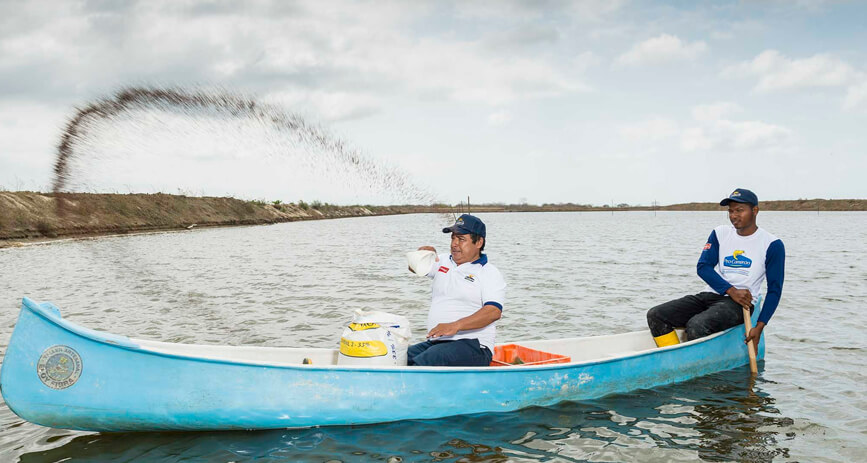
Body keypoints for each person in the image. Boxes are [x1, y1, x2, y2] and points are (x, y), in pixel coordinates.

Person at [647, 188, 785, 348]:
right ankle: (674, 355)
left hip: (741, 305)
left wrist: (760, 326)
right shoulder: (720, 233)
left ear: (755, 210)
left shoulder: (772, 244)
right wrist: (731, 290)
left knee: (697, 325)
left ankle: (697, 358)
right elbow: (703, 267)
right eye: (730, 211)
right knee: (656, 315)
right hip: (712, 294)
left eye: (740, 210)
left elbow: (775, 290)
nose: (734, 215)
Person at [407, 214, 506, 366]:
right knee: (398, 357)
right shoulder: (443, 261)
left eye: (461, 239)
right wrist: (422, 254)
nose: (454, 244)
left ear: (479, 242)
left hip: (475, 346)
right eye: (453, 238)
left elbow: (493, 312)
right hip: (437, 343)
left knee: (429, 359)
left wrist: (454, 326)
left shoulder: (489, 272)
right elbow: (414, 267)